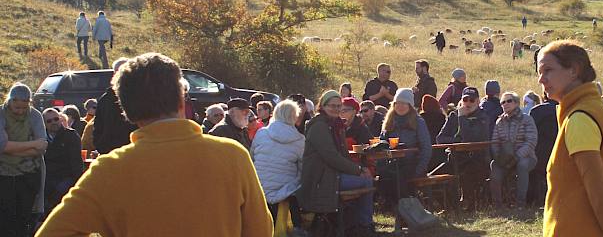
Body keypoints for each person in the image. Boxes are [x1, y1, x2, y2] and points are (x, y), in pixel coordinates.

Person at [36, 52, 273, 236]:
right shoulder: (232, 156)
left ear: (126, 111)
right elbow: (261, 230)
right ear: (182, 99)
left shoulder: (109, 169)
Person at [538, 40, 603, 237]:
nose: (541, 79)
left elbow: (598, 193)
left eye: (547, 70)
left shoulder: (579, 119)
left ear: (573, 70)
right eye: (539, 71)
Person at [297, 90, 374, 236]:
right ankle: (364, 226)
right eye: (332, 106)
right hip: (321, 179)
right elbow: (331, 156)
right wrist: (358, 170)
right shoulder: (319, 126)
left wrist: (358, 169)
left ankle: (357, 224)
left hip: (332, 174)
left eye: (339, 106)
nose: (336, 109)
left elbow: (342, 156)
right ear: (323, 106)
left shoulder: (336, 125)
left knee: (366, 177)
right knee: (366, 181)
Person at [251, 100, 305, 235]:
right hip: (285, 191)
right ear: (294, 116)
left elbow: (252, 157)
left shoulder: (261, 133)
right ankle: (297, 228)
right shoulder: (300, 140)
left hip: (259, 187)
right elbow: (303, 169)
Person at [1, 84, 48, 236]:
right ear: (9, 102)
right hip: (4, 174)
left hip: (28, 174)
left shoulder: (35, 115)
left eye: (23, 108)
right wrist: (33, 145)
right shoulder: (1, 115)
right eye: (16, 108)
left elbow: (43, 146)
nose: (20, 111)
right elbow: (2, 145)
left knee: (25, 216)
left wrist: (11, 149)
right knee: (6, 218)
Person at [434, 86, 490, 209]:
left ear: (478, 101)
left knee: (466, 174)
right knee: (432, 178)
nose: (468, 103)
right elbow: (440, 138)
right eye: (465, 99)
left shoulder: (482, 117)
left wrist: (462, 118)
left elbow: (471, 138)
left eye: (472, 100)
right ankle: (450, 206)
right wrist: (456, 141)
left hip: (476, 158)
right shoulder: (453, 115)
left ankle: (467, 205)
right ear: (461, 101)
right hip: (455, 158)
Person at [378, 89, 432, 205]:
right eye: (398, 103)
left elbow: (426, 147)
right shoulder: (389, 121)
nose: (400, 106)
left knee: (400, 177)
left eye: (404, 103)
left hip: (413, 163)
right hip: (393, 161)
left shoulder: (418, 122)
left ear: (410, 105)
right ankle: (391, 206)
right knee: (383, 175)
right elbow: (382, 141)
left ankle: (407, 207)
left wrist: (420, 168)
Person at [490, 92, 538, 208]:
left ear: (516, 103)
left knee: (522, 165)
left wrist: (517, 156)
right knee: (494, 165)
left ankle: (520, 203)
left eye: (509, 101)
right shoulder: (499, 122)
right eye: (503, 102)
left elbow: (531, 141)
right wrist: (498, 158)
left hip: (526, 157)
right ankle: (498, 204)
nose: (505, 104)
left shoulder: (527, 119)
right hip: (506, 158)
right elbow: (495, 142)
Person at [41, 108, 84, 214]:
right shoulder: (40, 138)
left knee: (58, 194)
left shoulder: (71, 136)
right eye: (49, 121)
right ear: (44, 123)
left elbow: (77, 164)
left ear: (60, 119)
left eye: (56, 119)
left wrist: (78, 184)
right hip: (46, 178)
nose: (53, 122)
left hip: (66, 177)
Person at [93, 58, 136, 154]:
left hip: (134, 153)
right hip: (110, 153)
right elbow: (98, 127)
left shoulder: (140, 98)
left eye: (126, 71)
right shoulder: (105, 99)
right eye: (119, 71)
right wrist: (101, 146)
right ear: (114, 74)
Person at [526, 94, 558, 207]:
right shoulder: (565, 109)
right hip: (558, 153)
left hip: (539, 153)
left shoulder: (536, 111)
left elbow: (529, 133)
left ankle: (534, 199)